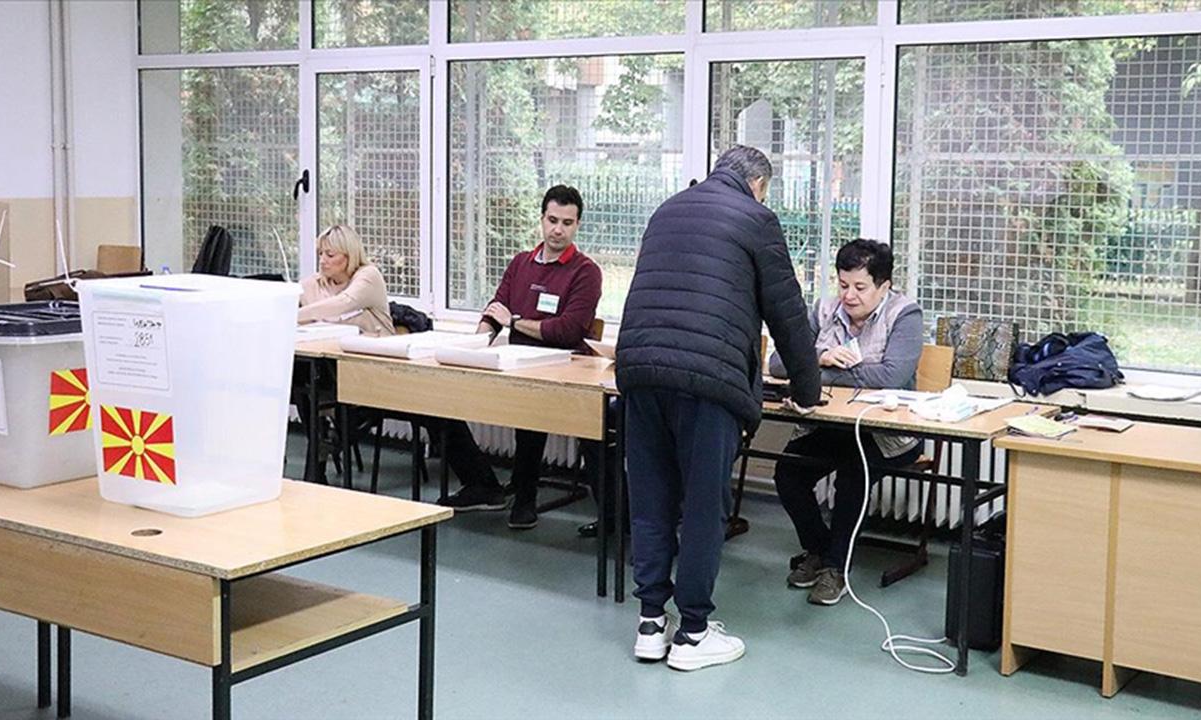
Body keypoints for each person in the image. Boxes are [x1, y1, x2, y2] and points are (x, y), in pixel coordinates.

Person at [615, 146, 821, 671]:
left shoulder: (669, 208)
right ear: (757, 184)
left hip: (639, 371)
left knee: (652, 499)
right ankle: (694, 635)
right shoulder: (756, 217)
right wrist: (808, 388)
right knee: (705, 506)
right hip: (707, 381)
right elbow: (788, 313)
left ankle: (649, 623)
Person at [297, 225, 505, 507]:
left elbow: (341, 305)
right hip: (335, 371)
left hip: (381, 373)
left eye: (330, 254)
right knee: (304, 388)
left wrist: (295, 314)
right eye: (320, 253)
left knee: (438, 407)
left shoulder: (367, 276)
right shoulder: (314, 284)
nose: (322, 260)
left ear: (348, 256)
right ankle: (318, 469)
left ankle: (483, 485)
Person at [769, 239, 924, 606]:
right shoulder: (824, 310)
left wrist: (815, 373)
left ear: (883, 286)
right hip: (830, 427)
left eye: (860, 287)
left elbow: (891, 376)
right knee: (788, 472)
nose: (849, 296)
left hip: (887, 435)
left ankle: (837, 568)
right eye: (843, 285)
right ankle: (819, 550)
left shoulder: (905, 315)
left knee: (853, 471)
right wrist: (821, 356)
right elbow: (777, 364)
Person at [475, 185, 604, 530]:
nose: (557, 229)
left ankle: (526, 496)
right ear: (541, 219)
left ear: (578, 225)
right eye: (552, 220)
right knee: (450, 403)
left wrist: (515, 322)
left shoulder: (586, 271)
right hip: (517, 364)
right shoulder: (520, 263)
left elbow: (566, 331)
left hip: (564, 370)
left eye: (567, 222)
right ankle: (483, 484)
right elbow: (495, 310)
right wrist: (474, 344)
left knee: (533, 412)